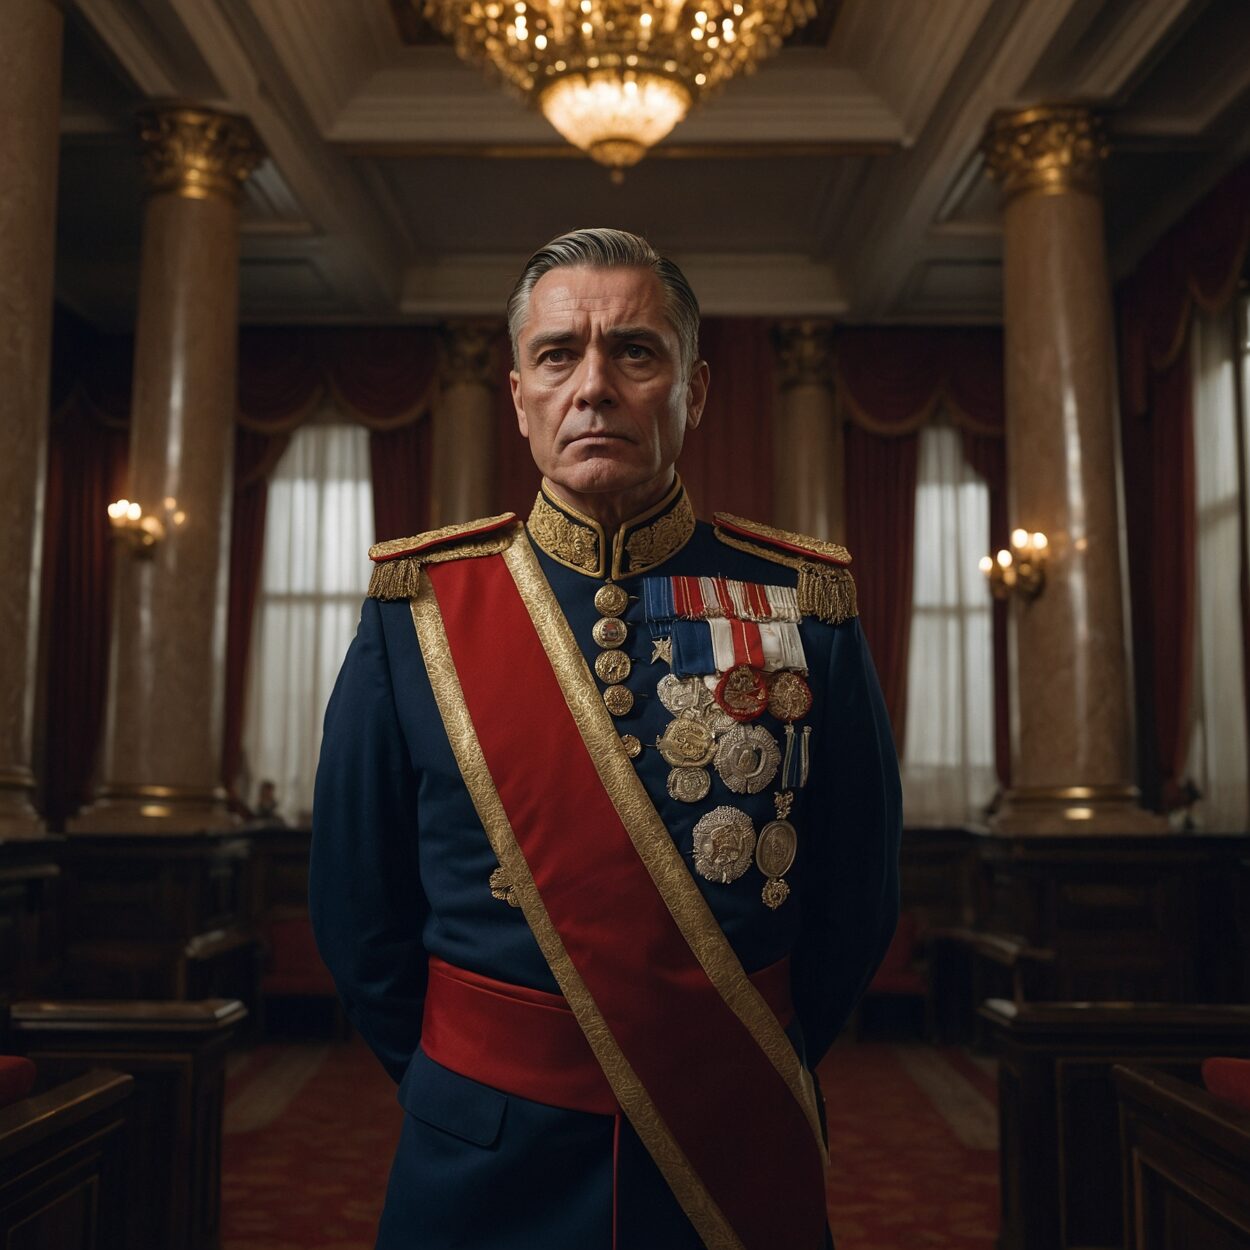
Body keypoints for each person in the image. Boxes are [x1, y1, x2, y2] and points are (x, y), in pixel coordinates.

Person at [310, 227, 901, 1250]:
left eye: (634, 350)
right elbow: (357, 902)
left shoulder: (800, 602)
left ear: (694, 388)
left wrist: (735, 1051)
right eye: (557, 354)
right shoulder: (420, 609)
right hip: (480, 1147)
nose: (594, 385)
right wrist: (467, 1069)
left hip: (729, 1131)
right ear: (518, 395)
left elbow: (858, 888)